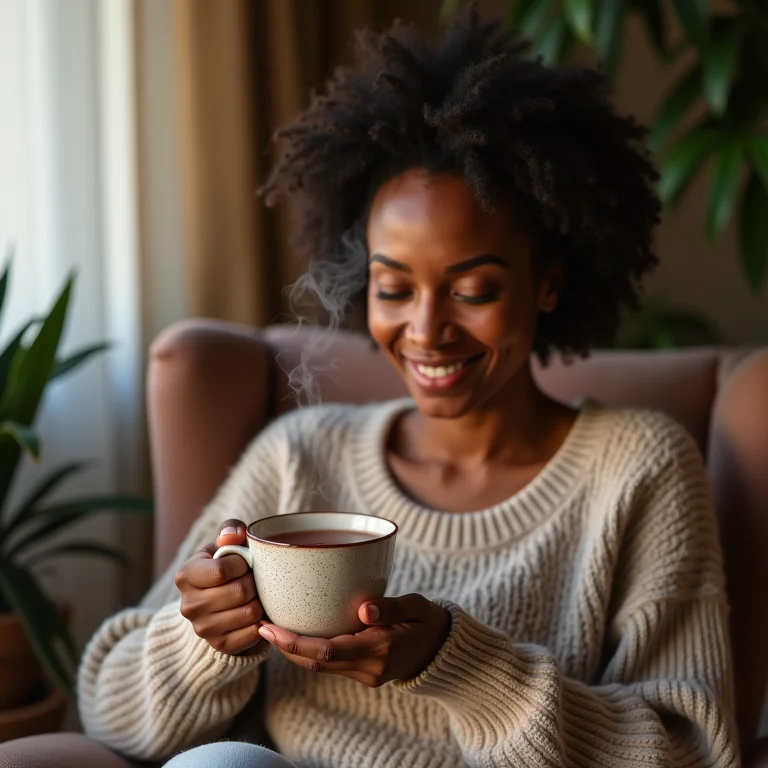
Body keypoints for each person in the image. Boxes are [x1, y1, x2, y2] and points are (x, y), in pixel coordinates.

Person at [78, 6, 739, 767]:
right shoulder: (298, 455)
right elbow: (109, 710)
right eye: (394, 289)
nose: (426, 331)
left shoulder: (639, 469)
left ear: (548, 284)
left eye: (474, 290)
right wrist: (202, 639)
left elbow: (691, 751)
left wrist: (458, 666)